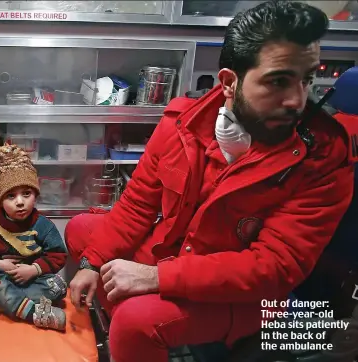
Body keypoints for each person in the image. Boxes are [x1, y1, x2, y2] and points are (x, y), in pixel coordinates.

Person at [65, 1, 355, 361]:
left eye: (307, 79)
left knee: (136, 322)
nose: (298, 100)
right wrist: (93, 263)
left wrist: (155, 278)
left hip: (251, 294)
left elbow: (275, 267)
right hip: (180, 254)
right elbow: (138, 204)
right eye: (278, 81)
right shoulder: (182, 122)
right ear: (230, 83)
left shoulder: (325, 154)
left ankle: (136, 324)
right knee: (82, 231)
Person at [0, 144, 69, 331]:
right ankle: (33, 313)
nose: (20, 202)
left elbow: (58, 255)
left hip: (33, 280)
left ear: (35, 195)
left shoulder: (44, 226)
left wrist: (34, 269)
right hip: (2, 280)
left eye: (26, 193)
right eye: (10, 196)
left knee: (58, 287)